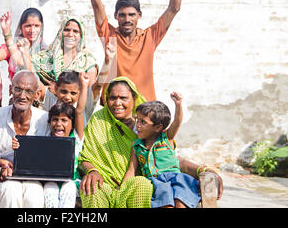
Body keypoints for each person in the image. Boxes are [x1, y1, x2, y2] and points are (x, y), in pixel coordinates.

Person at [78, 77, 223, 208]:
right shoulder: (99, 121)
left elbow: (169, 158)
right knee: (92, 188)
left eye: (123, 98)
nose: (117, 103)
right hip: (107, 185)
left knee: (144, 184)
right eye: (112, 98)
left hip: (141, 186)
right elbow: (86, 157)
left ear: (134, 99)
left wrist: (203, 169)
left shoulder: (149, 129)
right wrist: (92, 170)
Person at [86, 0, 182, 102]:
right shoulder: (109, 35)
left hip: (144, 111)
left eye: (131, 15)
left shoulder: (150, 36)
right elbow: (96, 1)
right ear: (115, 15)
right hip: (113, 109)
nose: (127, 19)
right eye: (122, 15)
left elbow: (174, 8)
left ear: (139, 15)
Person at [12, 72, 89, 208]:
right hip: (50, 180)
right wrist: (18, 145)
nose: (59, 124)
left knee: (68, 190)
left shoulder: (76, 137)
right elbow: (31, 151)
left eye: (64, 120)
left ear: (72, 123)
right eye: (55, 120)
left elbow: (79, 110)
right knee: (49, 191)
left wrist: (84, 85)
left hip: (70, 181)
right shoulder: (47, 138)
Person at [122, 93, 201, 208]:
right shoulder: (137, 146)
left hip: (176, 178)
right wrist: (122, 189)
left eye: (143, 122)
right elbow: (131, 170)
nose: (137, 125)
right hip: (156, 183)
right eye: (137, 120)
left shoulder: (166, 138)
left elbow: (177, 122)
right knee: (165, 204)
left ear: (158, 127)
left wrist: (178, 105)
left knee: (180, 203)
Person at [0, 70, 50, 208]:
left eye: (28, 91)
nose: (22, 96)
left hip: (34, 179)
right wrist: (0, 163)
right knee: (10, 190)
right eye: (18, 89)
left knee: (34, 193)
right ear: (10, 89)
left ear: (37, 95)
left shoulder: (44, 120)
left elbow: (48, 157)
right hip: (2, 180)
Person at [41, 41, 116, 126]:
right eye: (63, 92)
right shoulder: (52, 101)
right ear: (56, 89)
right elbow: (36, 84)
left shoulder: (84, 106)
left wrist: (108, 61)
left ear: (80, 93)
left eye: (73, 93)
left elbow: (98, 86)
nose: (67, 97)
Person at [30, 17, 98, 88]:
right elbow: (29, 67)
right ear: (61, 32)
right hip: (45, 97)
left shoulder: (88, 62)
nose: (70, 34)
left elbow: (90, 94)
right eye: (66, 30)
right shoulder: (47, 56)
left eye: (75, 31)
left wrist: (58, 91)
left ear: (81, 35)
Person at [0, 7, 46, 81]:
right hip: (16, 91)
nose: (32, 30)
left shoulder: (45, 52)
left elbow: (33, 76)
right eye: (28, 26)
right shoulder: (14, 48)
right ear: (21, 28)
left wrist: (25, 52)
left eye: (36, 26)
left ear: (41, 27)